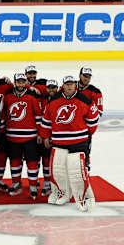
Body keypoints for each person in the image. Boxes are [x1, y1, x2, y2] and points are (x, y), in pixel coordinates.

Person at [39, 76, 99, 211]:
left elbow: (93, 120)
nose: (70, 86)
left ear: (75, 85)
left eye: (72, 84)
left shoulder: (84, 100)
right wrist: (45, 136)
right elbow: (46, 120)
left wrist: (86, 135)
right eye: (67, 84)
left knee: (77, 170)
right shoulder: (53, 101)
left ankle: (84, 197)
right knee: (58, 169)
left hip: (79, 141)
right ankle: (62, 193)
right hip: (59, 141)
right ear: (63, 86)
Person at [1, 73, 42, 200]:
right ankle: (16, 183)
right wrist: (1, 131)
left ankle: (33, 186)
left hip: (30, 137)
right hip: (12, 136)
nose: (20, 84)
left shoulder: (32, 96)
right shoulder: (7, 95)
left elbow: (38, 115)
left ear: (26, 82)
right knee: (14, 161)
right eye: (18, 82)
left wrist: (40, 133)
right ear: (15, 82)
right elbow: (3, 113)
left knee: (32, 162)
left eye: (22, 81)